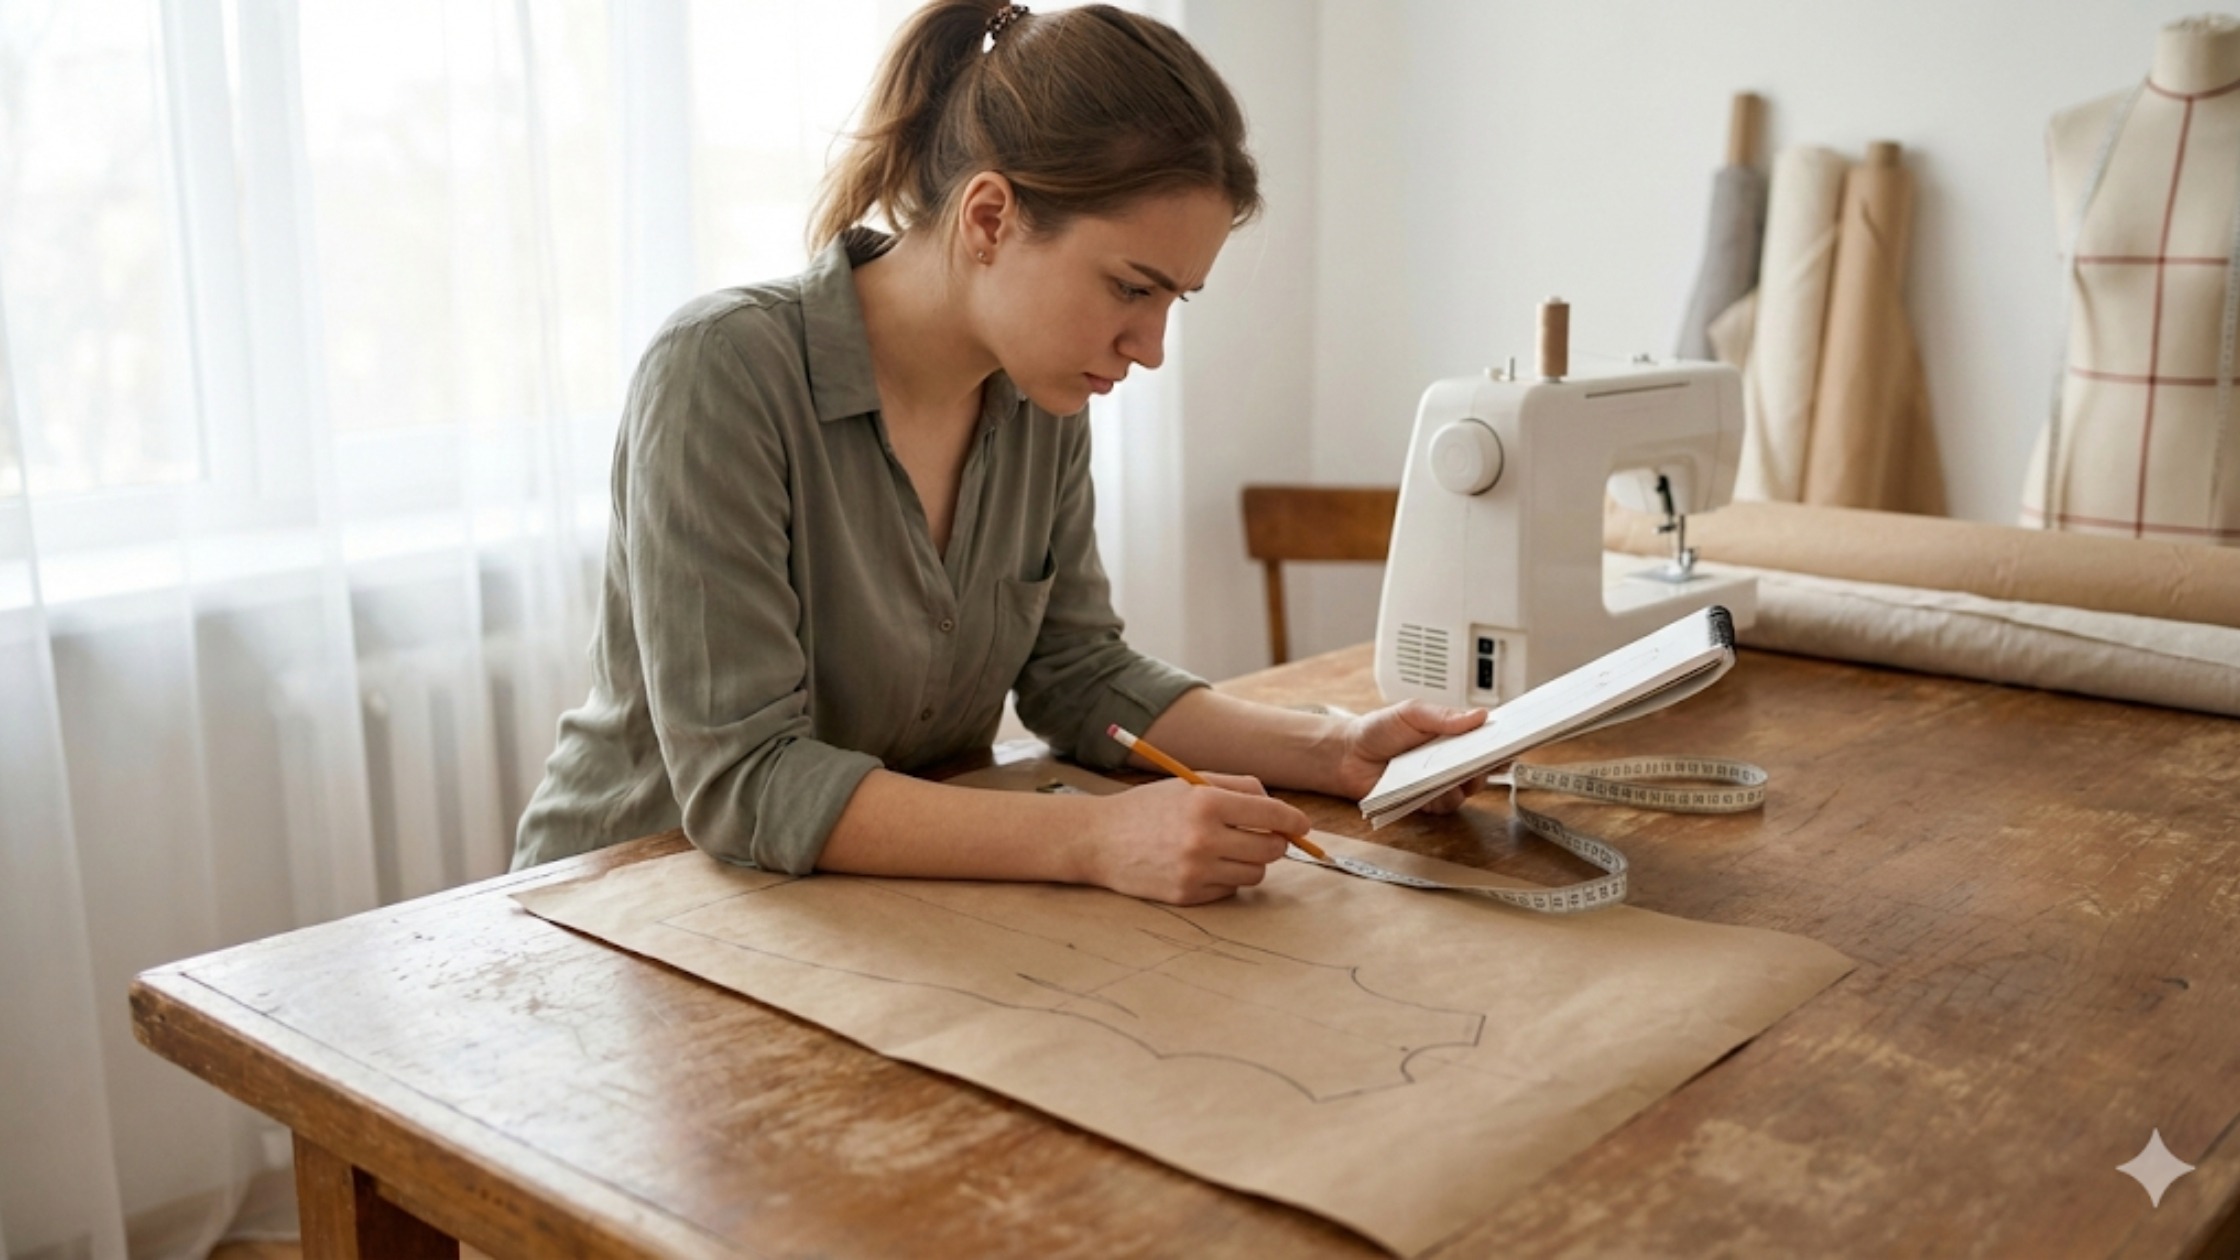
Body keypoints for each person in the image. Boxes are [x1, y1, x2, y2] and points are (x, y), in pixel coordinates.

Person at [511, 0, 1487, 905]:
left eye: (1171, 302)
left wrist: (1335, 748)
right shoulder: (721, 370)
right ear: (989, 218)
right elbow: (743, 782)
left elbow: (1078, 676)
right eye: (1128, 288)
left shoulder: (1039, 392)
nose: (1148, 349)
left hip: (847, 907)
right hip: (628, 901)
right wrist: (1092, 842)